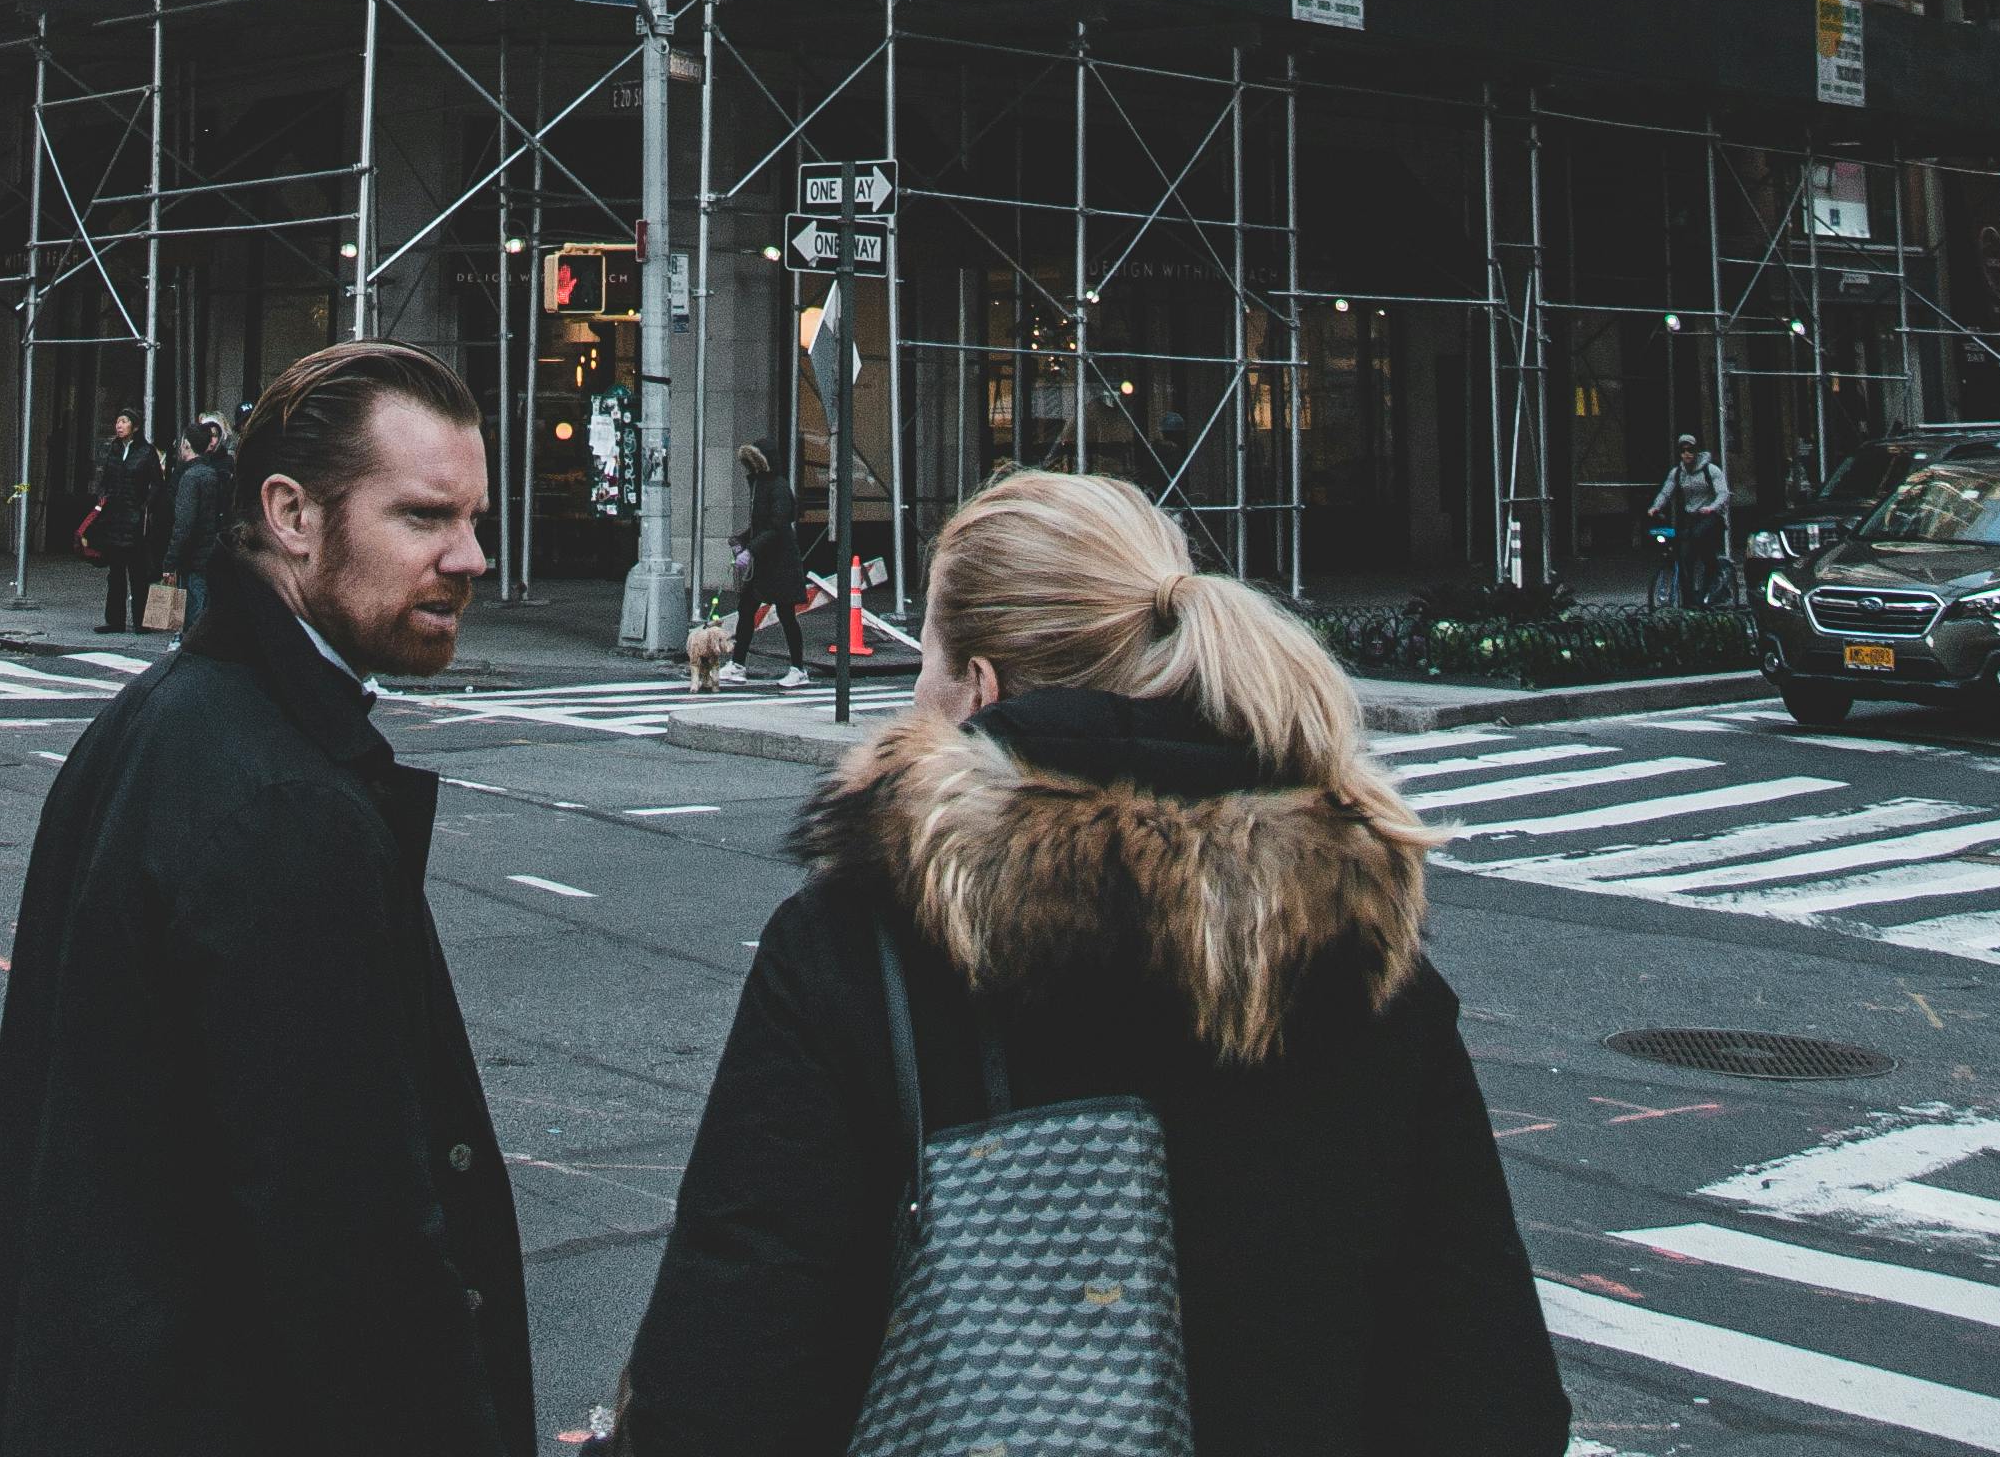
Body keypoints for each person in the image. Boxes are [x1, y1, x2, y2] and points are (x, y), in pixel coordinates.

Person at [614, 466, 1569, 1457]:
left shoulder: (858, 950)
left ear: (978, 690)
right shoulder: (1361, 957)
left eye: (926, 668)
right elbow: (1491, 1397)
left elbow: (721, 1383)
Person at [0, 340, 530, 1457]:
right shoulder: (278, 802)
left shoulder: (163, 725)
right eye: (423, 518)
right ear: (292, 514)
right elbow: (349, 1248)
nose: (470, 557)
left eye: (474, 519)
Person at [723, 440, 809, 686]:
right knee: (746, 611)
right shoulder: (762, 486)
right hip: (767, 561)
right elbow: (764, 525)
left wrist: (749, 549)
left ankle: (798, 668)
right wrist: (740, 541)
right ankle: (738, 664)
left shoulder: (778, 487)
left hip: (781, 563)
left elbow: (778, 526)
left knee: (786, 614)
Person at [83, 408, 166, 633]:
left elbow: (157, 483)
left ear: (135, 427)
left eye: (124, 421)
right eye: (117, 421)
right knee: (115, 573)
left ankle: (141, 621)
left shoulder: (146, 452)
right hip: (114, 518)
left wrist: (145, 506)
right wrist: (103, 500)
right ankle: (115, 620)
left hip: (135, 518)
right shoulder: (114, 449)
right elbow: (106, 479)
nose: (119, 425)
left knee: (138, 573)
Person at [162, 408, 235, 601]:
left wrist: (170, 561)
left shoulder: (192, 476)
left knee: (194, 604)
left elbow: (184, 523)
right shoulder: (210, 472)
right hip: (208, 547)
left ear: (186, 445)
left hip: (194, 554)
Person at [1652, 431, 1731, 607]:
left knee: (1701, 542)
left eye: (1690, 450)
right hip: (1692, 516)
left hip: (1711, 516)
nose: (1687, 454)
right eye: (1683, 450)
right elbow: (1666, 491)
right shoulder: (1678, 472)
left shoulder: (1710, 470)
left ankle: (1715, 578)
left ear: (1696, 451)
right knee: (1685, 555)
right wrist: (1656, 506)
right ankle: (1689, 601)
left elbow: (1723, 494)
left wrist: (1711, 507)